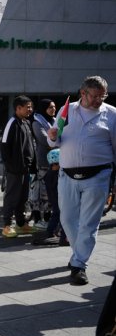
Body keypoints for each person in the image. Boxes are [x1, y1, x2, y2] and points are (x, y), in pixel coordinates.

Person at [47, 76, 116, 285]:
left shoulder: (112, 114)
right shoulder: (67, 110)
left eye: (102, 96)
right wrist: (51, 136)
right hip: (67, 174)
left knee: (89, 223)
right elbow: (54, 142)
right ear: (83, 93)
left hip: (98, 175)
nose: (99, 100)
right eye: (95, 96)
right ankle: (79, 253)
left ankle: (78, 265)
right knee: (67, 220)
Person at [0, 95, 38, 238]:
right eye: (27, 107)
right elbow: (4, 147)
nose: (30, 109)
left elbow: (30, 147)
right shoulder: (12, 123)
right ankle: (7, 226)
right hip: (15, 170)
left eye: (31, 107)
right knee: (12, 197)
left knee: (23, 198)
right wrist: (11, 167)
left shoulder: (26, 123)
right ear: (18, 108)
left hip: (25, 168)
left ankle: (21, 225)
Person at [29, 98, 56, 229]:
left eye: (54, 107)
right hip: (43, 162)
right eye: (50, 107)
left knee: (51, 192)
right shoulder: (37, 122)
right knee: (40, 192)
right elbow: (44, 140)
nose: (53, 109)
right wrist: (56, 140)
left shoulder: (55, 121)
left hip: (55, 161)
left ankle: (47, 218)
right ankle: (37, 219)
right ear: (44, 108)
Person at [33, 148, 68, 246]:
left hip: (53, 199)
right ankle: (63, 234)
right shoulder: (58, 174)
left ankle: (50, 232)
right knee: (62, 216)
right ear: (57, 163)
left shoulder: (48, 173)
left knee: (56, 215)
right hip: (60, 199)